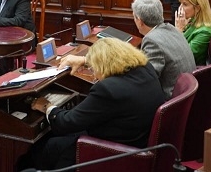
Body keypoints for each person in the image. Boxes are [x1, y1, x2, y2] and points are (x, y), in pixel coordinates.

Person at [23, 38, 166, 170]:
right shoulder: (145, 68)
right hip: (134, 140)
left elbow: (66, 123)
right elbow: (111, 58)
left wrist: (47, 107)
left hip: (108, 152)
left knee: (42, 149)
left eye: (93, 69)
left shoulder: (108, 89)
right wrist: (85, 60)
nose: (94, 75)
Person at [60, 0, 196, 98]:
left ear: (139, 21)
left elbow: (142, 79)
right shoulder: (171, 29)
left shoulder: (152, 40)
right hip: (183, 99)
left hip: (167, 103)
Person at [175, 0, 211, 65]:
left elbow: (185, 55)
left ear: (198, 8)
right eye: (180, 4)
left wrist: (179, 31)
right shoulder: (190, 22)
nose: (180, 8)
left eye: (185, 4)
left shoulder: (205, 31)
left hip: (189, 72)